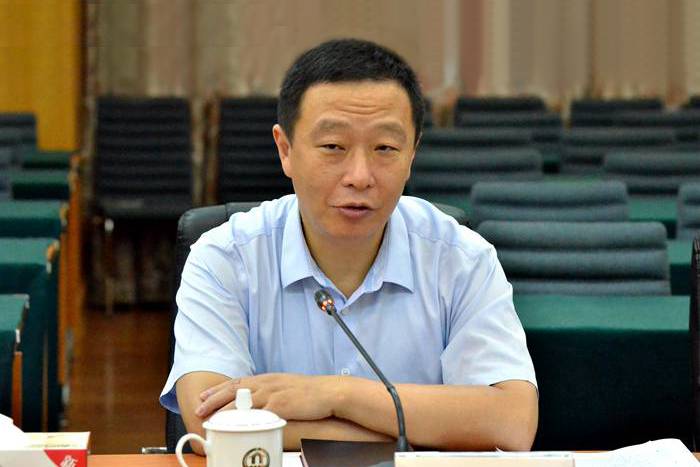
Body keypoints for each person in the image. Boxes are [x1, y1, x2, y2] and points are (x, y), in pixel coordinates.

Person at [160, 38, 538, 454]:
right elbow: (212, 426)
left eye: (385, 148)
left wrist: (335, 395)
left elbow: (512, 423)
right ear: (285, 150)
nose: (359, 176)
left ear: (412, 154)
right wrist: (407, 434)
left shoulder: (462, 259)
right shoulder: (224, 258)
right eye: (333, 147)